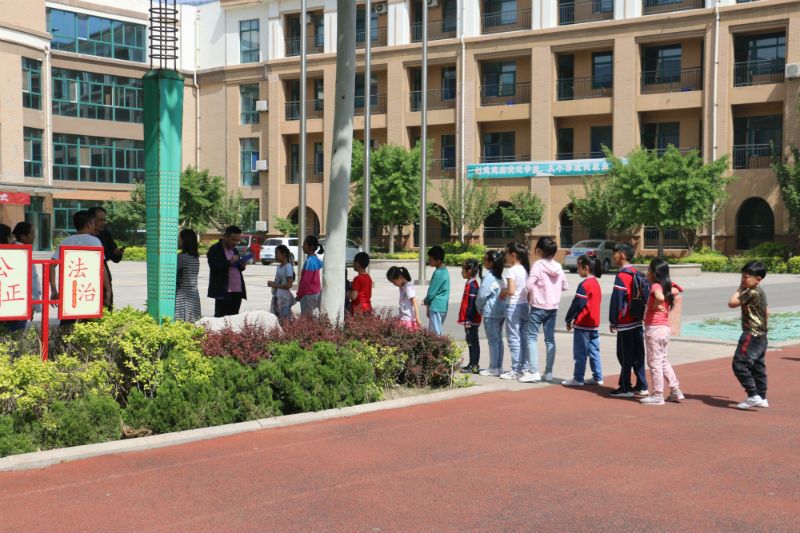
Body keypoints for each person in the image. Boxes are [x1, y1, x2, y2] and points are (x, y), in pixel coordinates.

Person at [50, 211, 112, 330]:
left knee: (67, 324)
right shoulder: (95, 241)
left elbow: (52, 265)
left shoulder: (66, 241)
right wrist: (108, 289)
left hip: (70, 291)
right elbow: (101, 267)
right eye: (93, 223)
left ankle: (64, 340)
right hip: (88, 290)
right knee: (89, 324)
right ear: (89, 224)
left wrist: (54, 290)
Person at [639, 258, 685, 405]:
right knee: (663, 360)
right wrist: (666, 298)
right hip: (664, 329)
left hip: (655, 328)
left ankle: (657, 395)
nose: (647, 273)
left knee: (654, 363)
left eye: (649, 270)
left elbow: (659, 297)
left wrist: (656, 305)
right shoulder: (667, 285)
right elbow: (678, 289)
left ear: (655, 273)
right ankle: (675, 390)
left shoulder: (655, 286)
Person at [524, 236, 568, 383]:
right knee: (550, 340)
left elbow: (529, 285)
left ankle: (533, 371)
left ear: (540, 250)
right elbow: (565, 285)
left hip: (538, 306)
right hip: (552, 307)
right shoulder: (558, 266)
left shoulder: (537, 265)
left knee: (531, 337)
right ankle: (548, 373)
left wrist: (534, 291)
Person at [608, 243, 649, 398]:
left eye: (615, 253)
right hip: (637, 319)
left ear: (622, 255)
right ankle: (642, 385)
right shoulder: (636, 273)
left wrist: (613, 320)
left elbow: (617, 300)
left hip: (625, 321)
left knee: (624, 355)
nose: (614, 256)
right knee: (638, 355)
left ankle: (625, 387)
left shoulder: (622, 276)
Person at [728, 260, 770, 410]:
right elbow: (767, 311)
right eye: (742, 276)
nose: (742, 280)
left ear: (757, 279)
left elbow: (732, 303)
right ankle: (762, 397)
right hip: (761, 335)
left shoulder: (751, 292)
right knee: (757, 367)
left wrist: (740, 289)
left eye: (746, 277)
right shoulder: (760, 291)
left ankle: (753, 395)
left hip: (751, 335)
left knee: (739, 364)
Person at [563, 253, 603, 387]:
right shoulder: (596, 283)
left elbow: (577, 304)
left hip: (583, 325)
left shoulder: (584, 284)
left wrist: (569, 319)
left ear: (586, 268)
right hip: (594, 324)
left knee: (580, 353)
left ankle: (578, 378)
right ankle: (598, 377)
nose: (577, 270)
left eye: (579, 267)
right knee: (594, 352)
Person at [499, 242, 530, 381]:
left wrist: (503, 292)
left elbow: (511, 291)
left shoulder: (511, 271)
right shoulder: (524, 269)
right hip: (524, 305)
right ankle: (524, 368)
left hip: (513, 306)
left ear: (513, 255)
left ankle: (516, 369)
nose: (505, 256)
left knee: (513, 339)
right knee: (523, 338)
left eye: (506, 253)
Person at [4, 222, 41, 331]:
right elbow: (27, 280)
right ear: (23, 236)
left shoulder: (15, 249)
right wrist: (32, 301)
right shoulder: (21, 252)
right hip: (20, 300)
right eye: (32, 233)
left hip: (13, 299)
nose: (34, 237)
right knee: (16, 332)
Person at [477, 250, 507, 377]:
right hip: (501, 311)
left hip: (490, 312)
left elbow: (481, 295)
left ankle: (493, 367)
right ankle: (498, 366)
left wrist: (479, 308)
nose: (484, 262)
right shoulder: (501, 276)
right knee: (499, 340)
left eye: (485, 260)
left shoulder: (489, 277)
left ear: (491, 263)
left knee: (493, 341)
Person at [207, 225, 247, 318]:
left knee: (234, 318)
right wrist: (229, 262)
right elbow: (214, 267)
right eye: (233, 240)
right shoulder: (215, 249)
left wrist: (242, 266)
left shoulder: (235, 250)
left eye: (238, 240)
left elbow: (236, 268)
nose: (235, 243)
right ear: (225, 237)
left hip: (237, 290)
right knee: (221, 318)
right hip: (223, 291)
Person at [88, 206, 124, 310]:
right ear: (91, 220)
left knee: (106, 306)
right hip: (86, 275)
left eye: (104, 220)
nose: (103, 223)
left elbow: (114, 257)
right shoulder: (83, 236)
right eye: (100, 220)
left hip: (104, 274)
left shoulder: (105, 234)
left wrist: (117, 253)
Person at [458, 258, 483, 373]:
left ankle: (474, 365)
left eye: (462, 269)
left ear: (469, 271)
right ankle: (471, 363)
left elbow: (472, 305)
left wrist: (468, 320)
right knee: (470, 341)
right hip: (469, 320)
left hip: (471, 320)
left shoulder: (473, 285)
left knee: (473, 341)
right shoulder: (469, 283)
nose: (461, 272)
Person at [175, 228, 201, 323]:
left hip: (182, 295)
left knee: (180, 322)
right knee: (192, 322)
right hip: (193, 294)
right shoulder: (195, 257)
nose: (178, 240)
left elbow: (171, 272)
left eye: (179, 238)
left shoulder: (182, 257)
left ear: (184, 241)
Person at [423, 245, 450, 335]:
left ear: (438, 261)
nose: (429, 260)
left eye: (431, 259)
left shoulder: (438, 273)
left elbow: (431, 293)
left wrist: (426, 301)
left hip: (436, 306)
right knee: (437, 330)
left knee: (434, 333)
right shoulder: (445, 271)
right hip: (443, 306)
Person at [295, 235, 323, 317]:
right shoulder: (316, 259)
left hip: (308, 295)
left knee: (306, 319)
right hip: (317, 293)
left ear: (311, 247)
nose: (302, 246)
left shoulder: (309, 261)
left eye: (304, 244)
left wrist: (299, 295)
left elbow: (305, 282)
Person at [387, 266, 421, 330]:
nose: (394, 284)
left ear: (400, 277)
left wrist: (417, 318)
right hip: (404, 318)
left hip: (409, 319)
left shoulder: (408, 287)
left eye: (394, 282)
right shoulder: (402, 286)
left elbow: (415, 302)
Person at [268, 244, 295, 322]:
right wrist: (272, 283)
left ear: (284, 254)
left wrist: (275, 285)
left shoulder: (288, 267)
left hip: (285, 299)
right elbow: (279, 282)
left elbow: (289, 285)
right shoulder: (279, 267)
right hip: (277, 297)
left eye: (277, 254)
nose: (275, 256)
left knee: (285, 321)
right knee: (278, 320)